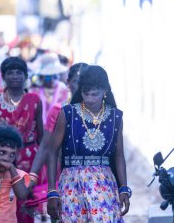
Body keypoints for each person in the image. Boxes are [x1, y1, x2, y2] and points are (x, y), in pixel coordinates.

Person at [47, 65, 131, 222]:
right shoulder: (68, 113)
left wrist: (124, 188)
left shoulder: (115, 117)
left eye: (95, 94)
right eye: (86, 94)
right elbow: (52, 152)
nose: (90, 99)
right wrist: (52, 190)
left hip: (104, 183)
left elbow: (119, 155)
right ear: (80, 91)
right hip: (71, 184)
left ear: (105, 91)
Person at [23, 63, 89, 218]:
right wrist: (33, 176)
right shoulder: (59, 110)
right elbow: (46, 146)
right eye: (75, 82)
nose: (79, 87)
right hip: (64, 174)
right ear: (68, 83)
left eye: (83, 82)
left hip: (96, 177)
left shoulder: (100, 111)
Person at [0, 57, 43, 222]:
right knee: (2, 203)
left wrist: (39, 168)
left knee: (26, 204)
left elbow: (41, 136)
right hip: (2, 159)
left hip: (29, 159)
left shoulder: (34, 100)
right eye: (10, 73)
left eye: (19, 72)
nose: (15, 76)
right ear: (3, 77)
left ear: (26, 76)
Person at [29, 53, 69, 125]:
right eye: (48, 77)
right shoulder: (34, 92)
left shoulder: (65, 92)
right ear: (42, 77)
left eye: (54, 76)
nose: (52, 79)